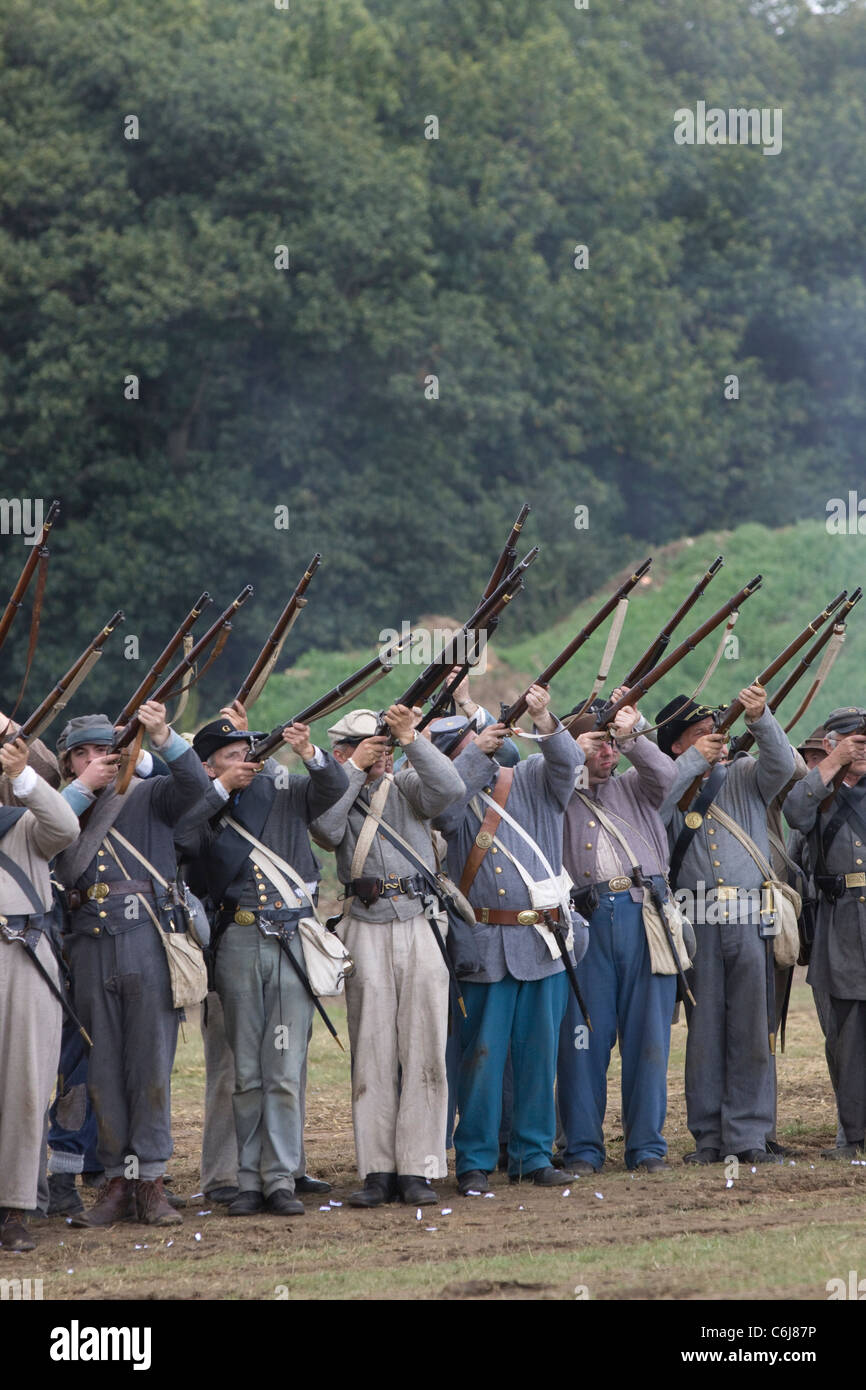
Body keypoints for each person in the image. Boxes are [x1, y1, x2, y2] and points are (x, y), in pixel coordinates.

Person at [176, 713, 347, 1216]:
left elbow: (332, 788)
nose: (243, 760)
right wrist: (222, 791)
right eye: (230, 756)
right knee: (247, 1071)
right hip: (240, 939)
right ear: (210, 767)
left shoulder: (288, 789)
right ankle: (247, 1178)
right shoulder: (205, 805)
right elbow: (185, 842)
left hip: (292, 937)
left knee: (285, 1068)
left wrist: (311, 754)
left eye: (247, 751)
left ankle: (281, 1178)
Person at [53, 704, 210, 1227]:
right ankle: (115, 1183)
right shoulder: (60, 811)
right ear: (69, 763)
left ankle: (152, 1183)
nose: (95, 759)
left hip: (146, 939)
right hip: (89, 945)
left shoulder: (147, 794)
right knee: (102, 1072)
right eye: (82, 753)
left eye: (103, 750)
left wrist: (164, 737)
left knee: (149, 1067)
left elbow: (194, 788)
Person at [311, 703, 464, 1208]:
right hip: (365, 922)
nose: (381, 753)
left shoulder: (407, 783)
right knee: (372, 1051)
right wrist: (354, 772)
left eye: (384, 745)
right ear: (341, 752)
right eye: (368, 745)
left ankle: (419, 1167)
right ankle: (377, 1169)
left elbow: (451, 791)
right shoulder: (335, 789)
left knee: (424, 1048)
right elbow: (327, 831)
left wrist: (412, 738)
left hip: (419, 919)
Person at [433, 685, 583, 1194]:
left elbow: (566, 762)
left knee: (540, 1057)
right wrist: (474, 760)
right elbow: (446, 806)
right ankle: (474, 1159)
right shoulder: (445, 797)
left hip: (541, 941)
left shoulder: (532, 780)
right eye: (459, 752)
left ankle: (533, 1154)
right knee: (482, 1060)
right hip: (484, 942)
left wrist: (545, 719)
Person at [658, 686, 794, 1165]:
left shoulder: (743, 773)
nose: (714, 741)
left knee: (752, 1030)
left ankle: (750, 1135)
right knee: (706, 1032)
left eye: (715, 733)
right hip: (698, 920)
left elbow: (785, 767)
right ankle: (709, 1137)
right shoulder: (667, 778)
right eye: (699, 736)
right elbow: (658, 802)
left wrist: (761, 718)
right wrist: (693, 762)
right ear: (677, 744)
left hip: (749, 915)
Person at [558, 694, 681, 1174]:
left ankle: (647, 1147)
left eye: (611, 745)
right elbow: (552, 776)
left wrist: (634, 733)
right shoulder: (559, 789)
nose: (606, 754)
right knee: (582, 1040)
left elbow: (668, 777)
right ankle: (584, 1148)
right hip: (586, 922)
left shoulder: (638, 783)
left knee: (648, 1038)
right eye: (596, 745)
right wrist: (569, 755)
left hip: (643, 915)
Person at [0, 733, 80, 1251]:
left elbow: (66, 827)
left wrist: (21, 773)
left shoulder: (27, 825)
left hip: (21, 954)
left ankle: (15, 1207)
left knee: (25, 1088)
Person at [784, 706, 866, 1159]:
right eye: (855, 738)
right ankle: (853, 1135)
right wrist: (835, 763)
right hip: (840, 924)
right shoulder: (821, 793)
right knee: (847, 1033)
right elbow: (795, 813)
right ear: (833, 743)